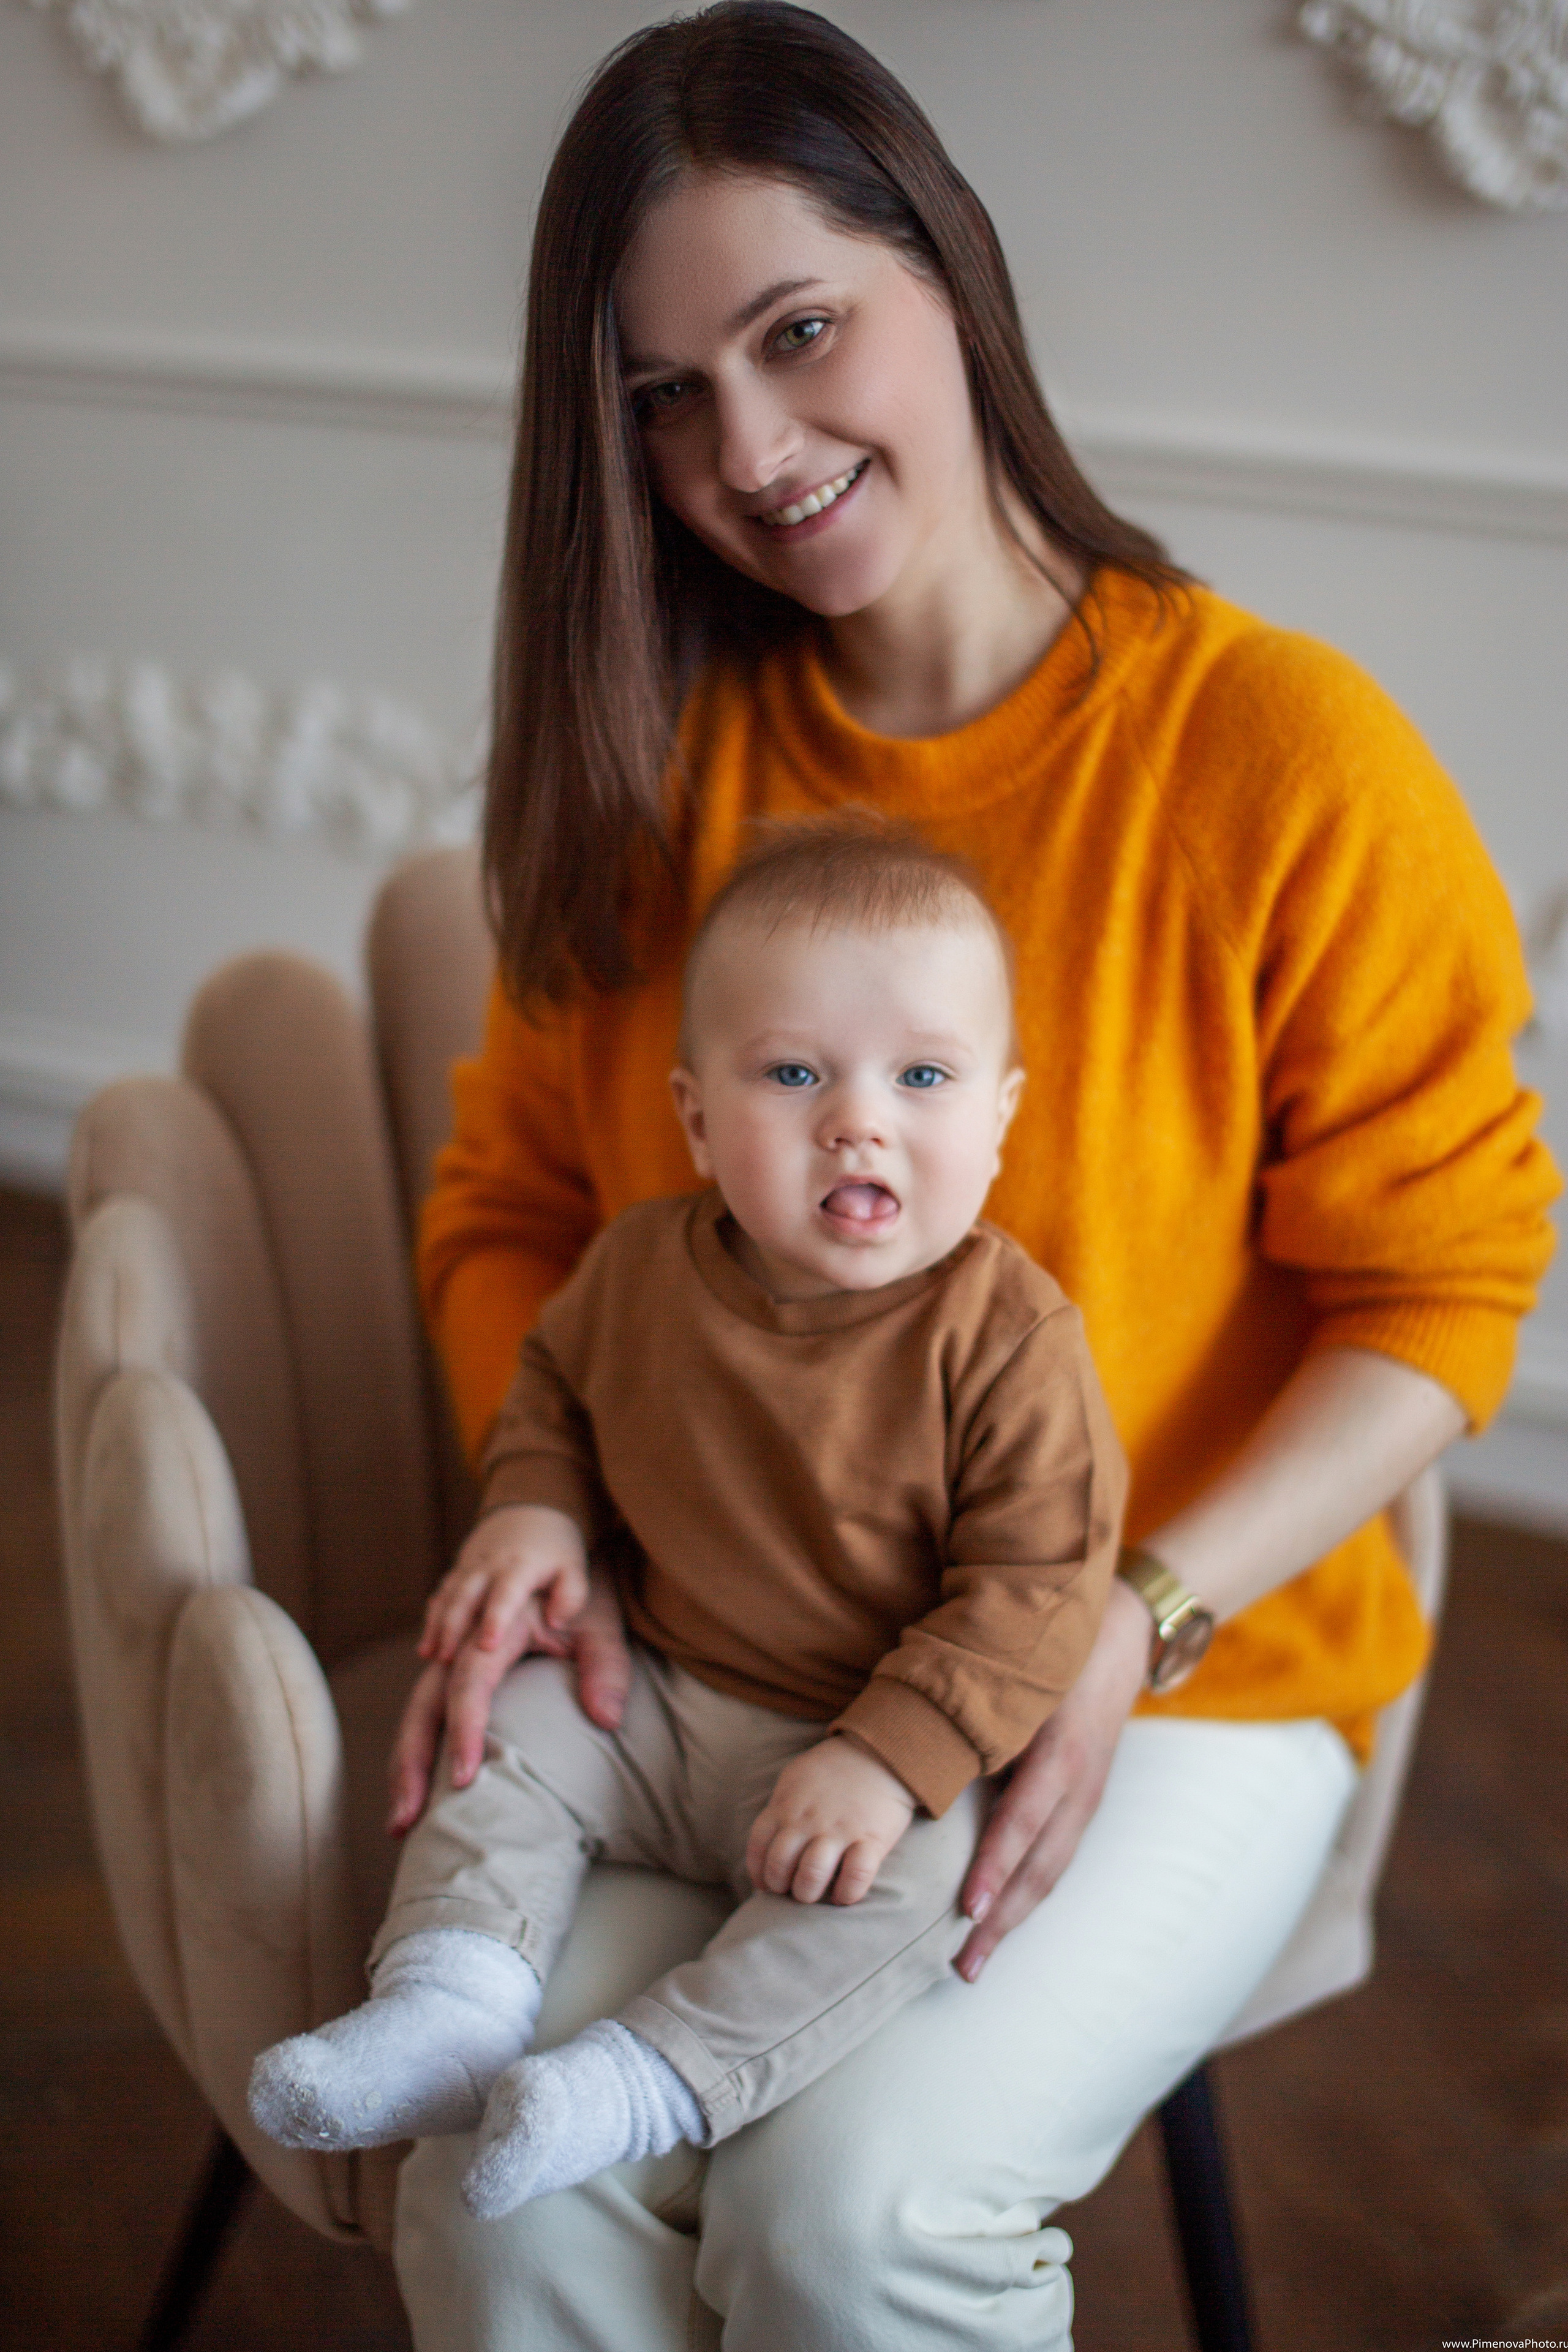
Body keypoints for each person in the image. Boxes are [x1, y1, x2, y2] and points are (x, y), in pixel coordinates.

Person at [386, 6, 1560, 2346]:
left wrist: (1136, 1619)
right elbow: (509, 1208)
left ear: (952, 270)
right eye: (664, 396)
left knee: (853, 2213)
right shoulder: (650, 763)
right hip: (724, 1679)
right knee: (502, 2181)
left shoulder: (1281, 753)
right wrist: (553, 1504)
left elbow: (1437, 1297)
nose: (750, 452)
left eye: (799, 331)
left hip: (1181, 1683)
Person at [248, 818, 1126, 2219]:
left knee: (929, 1884)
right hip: (649, 1693)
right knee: (503, 1734)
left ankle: (643, 2079)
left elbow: (1037, 1586)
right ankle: (451, 2002)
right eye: (792, 1073)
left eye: (921, 1077)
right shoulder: (640, 1268)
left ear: (1001, 1114)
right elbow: (552, 1387)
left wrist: (888, 1760)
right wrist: (536, 1511)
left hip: (852, 1734)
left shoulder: (1008, 1337)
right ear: (698, 1117)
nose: (857, 1121)